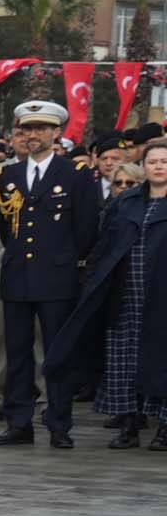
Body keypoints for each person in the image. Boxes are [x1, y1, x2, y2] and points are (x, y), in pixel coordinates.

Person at [0, 99, 102, 450]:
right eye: (28, 129)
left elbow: (86, 229)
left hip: (57, 277)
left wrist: (64, 259)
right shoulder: (6, 175)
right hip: (18, 276)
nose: (33, 135)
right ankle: (18, 422)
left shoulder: (76, 175)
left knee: (57, 353)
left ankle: (59, 422)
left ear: (57, 133)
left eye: (41, 129)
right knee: (17, 353)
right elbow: (7, 228)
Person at [47, 134, 167, 450]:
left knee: (161, 359)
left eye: (164, 162)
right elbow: (104, 244)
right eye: (152, 162)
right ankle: (128, 424)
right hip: (124, 292)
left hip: (162, 294)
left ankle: (164, 427)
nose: (158, 167)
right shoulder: (126, 202)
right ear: (144, 166)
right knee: (122, 360)